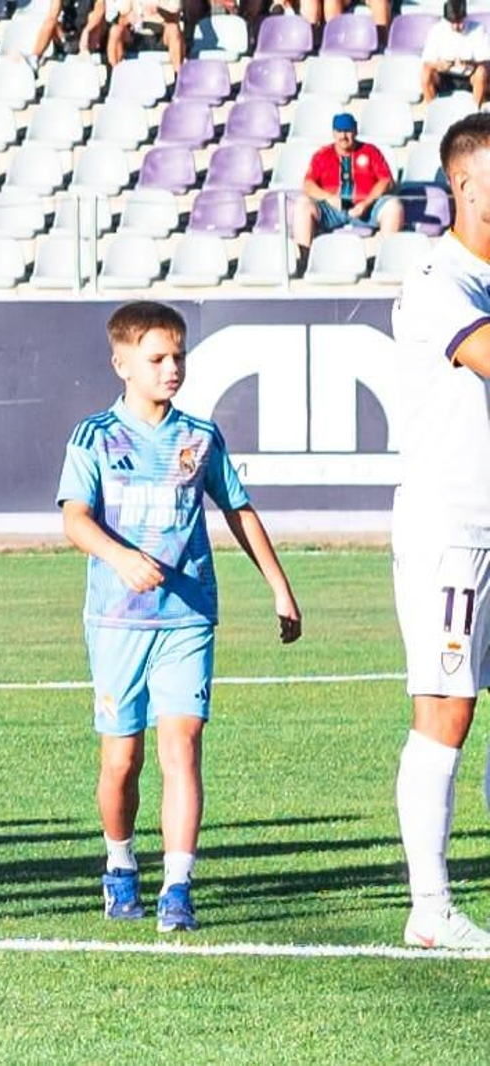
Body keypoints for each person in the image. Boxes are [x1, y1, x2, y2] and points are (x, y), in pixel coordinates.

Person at [57, 300, 301, 935]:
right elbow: (75, 518)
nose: (172, 369)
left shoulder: (200, 437)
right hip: (118, 623)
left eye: (178, 357)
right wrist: (121, 558)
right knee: (121, 761)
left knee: (183, 747)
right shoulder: (94, 437)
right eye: (157, 358)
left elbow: (238, 510)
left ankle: (177, 886)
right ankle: (119, 864)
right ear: (122, 364)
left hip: (187, 618)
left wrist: (279, 587)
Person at [387, 113, 490, 949]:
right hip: (454, 524)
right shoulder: (436, 277)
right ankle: (430, 907)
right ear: (463, 185)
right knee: (446, 709)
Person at [293, 112, 404, 266]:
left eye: (347, 131)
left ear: (355, 131)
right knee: (302, 204)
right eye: (339, 131)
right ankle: (305, 262)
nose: (343, 136)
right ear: (333, 133)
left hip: (365, 208)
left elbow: (386, 181)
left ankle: (386, 261)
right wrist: (328, 197)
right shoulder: (322, 154)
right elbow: (308, 184)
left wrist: (366, 203)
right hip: (332, 209)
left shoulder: (371, 151)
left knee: (393, 206)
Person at [422, 0, 490, 107]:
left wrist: (470, 64)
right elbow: (427, 61)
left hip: (469, 77)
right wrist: (439, 65)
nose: (456, 26)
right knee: (426, 73)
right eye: (452, 22)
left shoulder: (478, 29)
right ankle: (433, 110)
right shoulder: (437, 30)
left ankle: (475, 110)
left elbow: (486, 61)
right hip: (444, 76)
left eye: (459, 22)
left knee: (482, 72)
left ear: (465, 17)